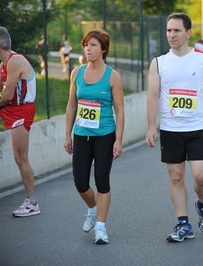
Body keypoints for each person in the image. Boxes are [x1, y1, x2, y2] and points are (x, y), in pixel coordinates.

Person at [145, 12, 203, 242]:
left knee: (201, 177)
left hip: (196, 128)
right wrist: (151, 125)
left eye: (177, 30)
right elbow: (153, 94)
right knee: (176, 177)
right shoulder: (159, 62)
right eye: (169, 30)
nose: (172, 34)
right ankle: (183, 223)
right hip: (170, 129)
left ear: (188, 33)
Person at [64, 29, 125, 244]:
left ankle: (101, 227)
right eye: (86, 45)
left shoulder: (113, 76)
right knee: (80, 182)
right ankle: (92, 208)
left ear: (103, 49)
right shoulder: (76, 73)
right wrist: (67, 135)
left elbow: (119, 110)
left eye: (93, 45)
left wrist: (118, 140)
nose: (88, 49)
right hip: (81, 134)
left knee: (102, 180)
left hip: (104, 135)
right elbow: (72, 105)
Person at [0, 27, 39, 217]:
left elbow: (7, 96)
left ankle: (32, 203)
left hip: (21, 111)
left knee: (21, 157)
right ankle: (30, 201)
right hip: (12, 110)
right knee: (18, 157)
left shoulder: (15, 61)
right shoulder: (4, 64)